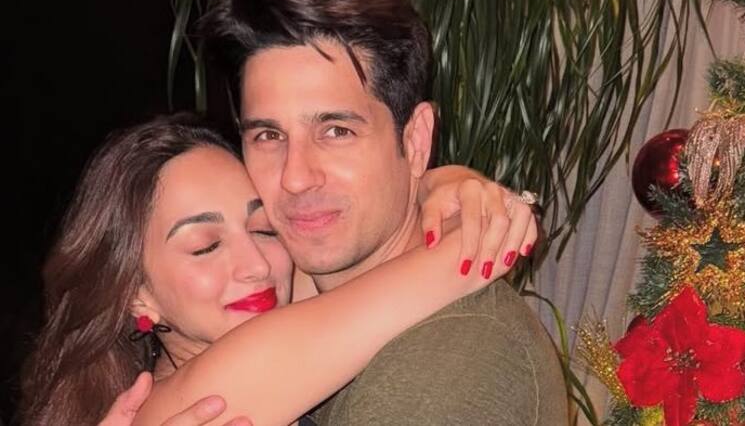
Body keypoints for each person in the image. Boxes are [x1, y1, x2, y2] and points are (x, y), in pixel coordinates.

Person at [198, 0, 568, 424]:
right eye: (269, 136)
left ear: (416, 140)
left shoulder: (445, 376)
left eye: (337, 131)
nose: (295, 177)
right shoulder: (281, 294)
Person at [21, 115, 521, 426]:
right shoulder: (188, 404)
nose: (256, 265)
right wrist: (480, 208)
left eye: (262, 229)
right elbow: (460, 259)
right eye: (205, 246)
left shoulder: (260, 314)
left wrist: (440, 183)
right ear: (136, 294)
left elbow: (372, 232)